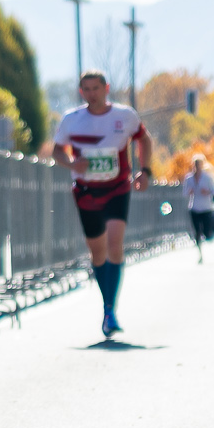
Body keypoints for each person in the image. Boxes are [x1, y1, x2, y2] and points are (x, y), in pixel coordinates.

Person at [51, 71, 153, 336]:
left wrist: (145, 171)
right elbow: (57, 151)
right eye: (86, 89)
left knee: (115, 244)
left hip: (117, 188)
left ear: (106, 88)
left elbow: (144, 139)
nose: (91, 94)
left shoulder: (124, 116)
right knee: (97, 252)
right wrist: (72, 163)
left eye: (96, 88)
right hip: (86, 192)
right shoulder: (72, 119)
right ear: (80, 91)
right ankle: (107, 303)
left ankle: (110, 309)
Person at [181, 152, 214, 262]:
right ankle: (200, 253)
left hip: (206, 208)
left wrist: (207, 191)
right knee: (196, 232)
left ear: (202, 165)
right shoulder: (189, 178)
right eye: (195, 164)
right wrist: (189, 191)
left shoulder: (207, 178)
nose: (197, 167)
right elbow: (184, 193)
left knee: (206, 232)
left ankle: (208, 249)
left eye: (199, 164)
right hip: (194, 207)